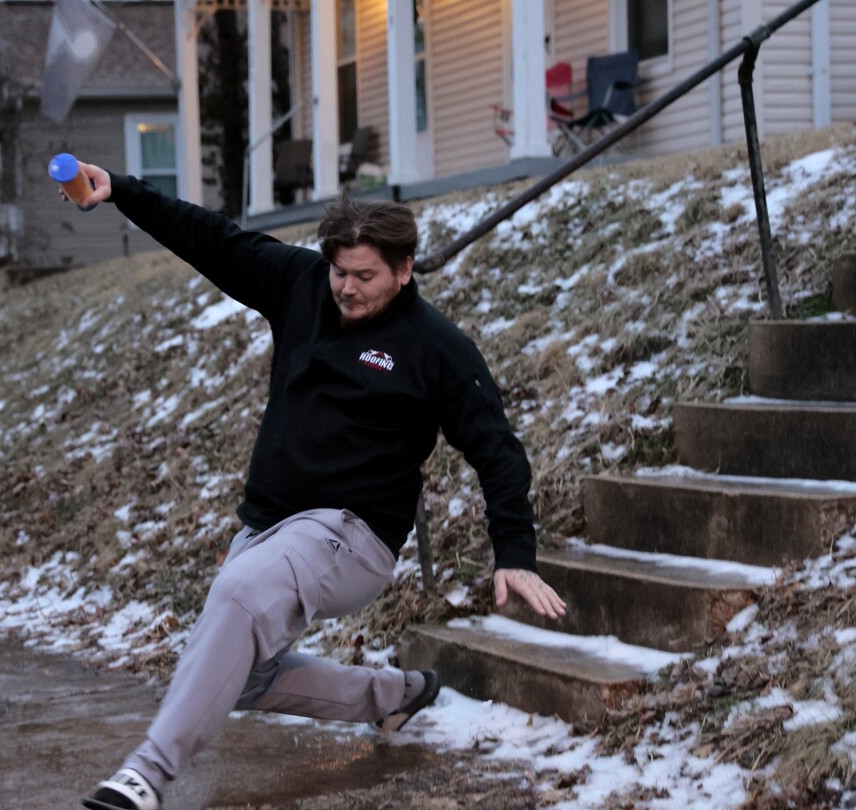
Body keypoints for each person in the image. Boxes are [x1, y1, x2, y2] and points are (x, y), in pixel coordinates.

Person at [73, 164, 566, 810]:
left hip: (352, 535)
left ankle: (146, 775)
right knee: (235, 677)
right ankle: (396, 695)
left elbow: (497, 450)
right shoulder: (301, 286)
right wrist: (123, 191)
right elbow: (214, 240)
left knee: (241, 597)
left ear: (404, 270)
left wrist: (515, 553)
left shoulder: (435, 348)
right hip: (268, 527)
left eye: (365, 277)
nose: (347, 289)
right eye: (340, 272)